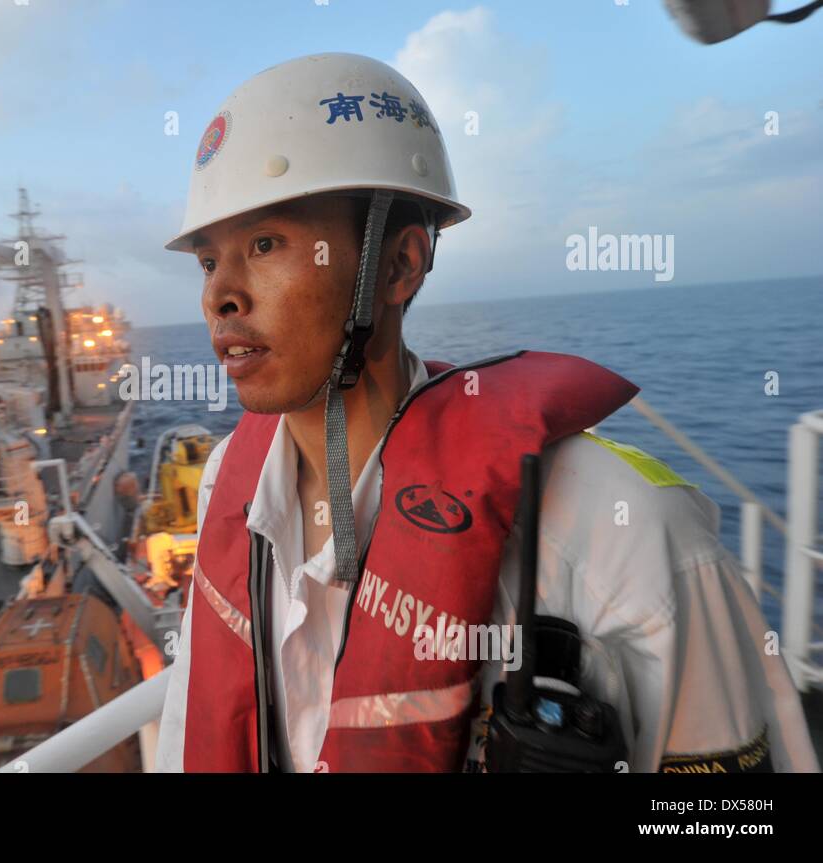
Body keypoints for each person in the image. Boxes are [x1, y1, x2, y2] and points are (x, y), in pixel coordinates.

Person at [154, 52, 818, 773]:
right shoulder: (227, 482)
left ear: (399, 264)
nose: (218, 296)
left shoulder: (620, 533)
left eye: (265, 245)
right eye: (208, 261)